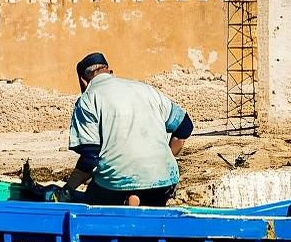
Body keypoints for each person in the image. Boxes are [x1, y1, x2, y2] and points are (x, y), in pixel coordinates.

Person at [60, 52, 193, 206]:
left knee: (93, 197)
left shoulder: (88, 99)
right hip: (164, 181)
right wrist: (164, 159)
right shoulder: (146, 90)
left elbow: (90, 158)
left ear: (83, 80)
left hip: (117, 184)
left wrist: (67, 190)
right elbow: (185, 127)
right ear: (109, 71)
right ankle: (134, 198)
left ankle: (131, 198)